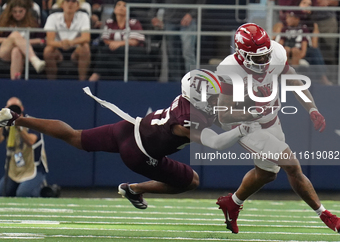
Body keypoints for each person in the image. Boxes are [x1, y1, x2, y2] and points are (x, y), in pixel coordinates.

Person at [0, 69, 259, 208]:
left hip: (128, 129)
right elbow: (215, 143)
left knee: (75, 137)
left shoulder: (187, 101)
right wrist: (242, 130)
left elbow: (219, 111)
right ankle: (134, 188)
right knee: (192, 181)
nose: (216, 101)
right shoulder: (188, 120)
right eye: (211, 98)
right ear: (198, 100)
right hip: (140, 155)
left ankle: (17, 119)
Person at [215, 23, 340, 234]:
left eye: (267, 56)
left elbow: (293, 81)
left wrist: (312, 109)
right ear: (242, 54)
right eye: (258, 58)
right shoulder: (230, 70)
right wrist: (251, 113)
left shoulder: (276, 54)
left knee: (266, 174)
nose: (265, 61)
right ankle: (326, 215)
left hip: (272, 120)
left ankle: (232, 202)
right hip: (246, 126)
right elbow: (223, 115)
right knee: (291, 164)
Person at [150, 0, 206, 81]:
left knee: (188, 53)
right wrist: (153, 15)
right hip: (169, 20)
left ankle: (193, 83)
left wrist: (191, 15)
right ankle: (175, 84)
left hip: (188, 21)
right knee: (171, 54)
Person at [0, 97, 49, 197]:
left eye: (15, 108)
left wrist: (19, 126)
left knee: (23, 193)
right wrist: (1, 123)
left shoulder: (31, 122)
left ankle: (41, 190)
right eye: (10, 109)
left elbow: (30, 141)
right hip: (14, 170)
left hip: (34, 169)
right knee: (2, 192)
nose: (13, 112)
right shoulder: (7, 125)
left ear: (22, 108)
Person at [89, 0, 146, 81]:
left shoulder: (134, 22)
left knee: (105, 51)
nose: (121, 7)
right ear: (114, 9)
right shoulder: (109, 22)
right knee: (109, 59)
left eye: (124, 5)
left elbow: (134, 41)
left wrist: (119, 44)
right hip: (114, 52)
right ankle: (131, 80)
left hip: (133, 51)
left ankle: (94, 77)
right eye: (119, 5)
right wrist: (115, 44)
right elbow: (105, 40)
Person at [43, 0, 91, 80]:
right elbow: (50, 41)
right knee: (48, 50)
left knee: (85, 47)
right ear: (62, 4)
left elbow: (86, 38)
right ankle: (51, 83)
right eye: (67, 1)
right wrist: (62, 44)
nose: (70, 3)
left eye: (73, 1)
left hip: (76, 50)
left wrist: (71, 42)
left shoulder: (84, 16)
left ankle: (83, 83)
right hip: (58, 49)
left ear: (78, 6)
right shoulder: (52, 17)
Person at [0, 0, 45, 79]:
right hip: (4, 51)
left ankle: (15, 81)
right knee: (15, 34)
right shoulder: (3, 22)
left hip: (24, 53)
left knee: (16, 50)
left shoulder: (33, 23)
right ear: (10, 12)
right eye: (15, 12)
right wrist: (12, 39)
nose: (17, 14)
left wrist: (19, 42)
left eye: (20, 11)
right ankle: (34, 60)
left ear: (26, 11)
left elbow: (41, 40)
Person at [311, 0, 340, 65]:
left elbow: (335, 1)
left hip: (328, 20)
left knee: (329, 50)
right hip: (311, 20)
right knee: (313, 49)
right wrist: (317, 2)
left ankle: (330, 75)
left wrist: (325, 2)